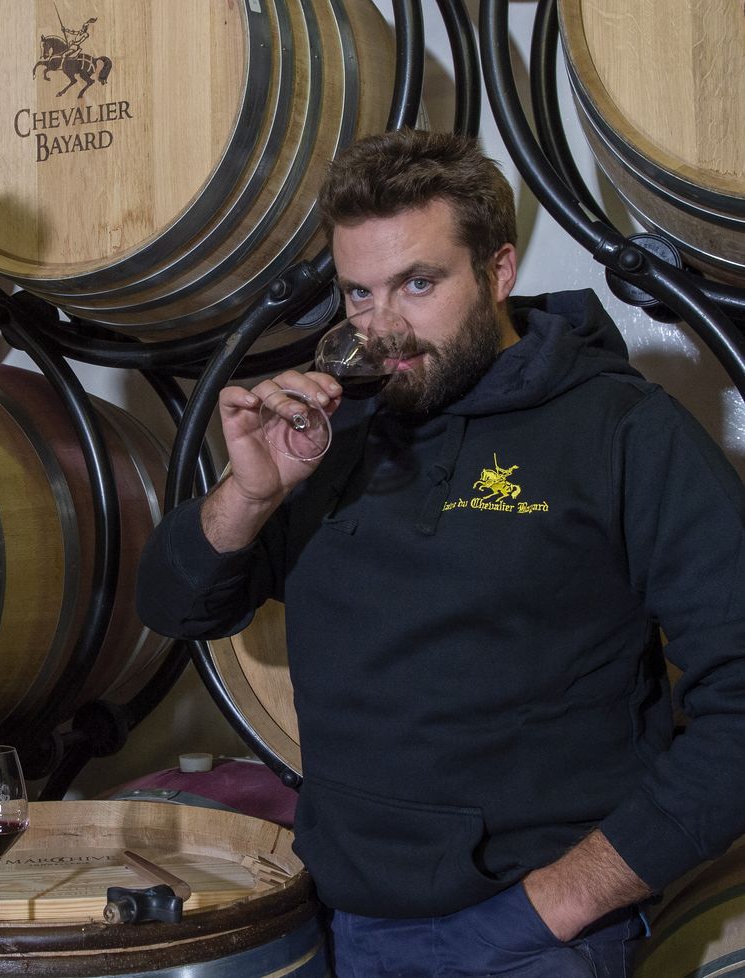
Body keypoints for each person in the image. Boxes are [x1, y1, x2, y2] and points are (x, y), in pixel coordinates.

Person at [136, 128, 745, 977]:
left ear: (498, 272)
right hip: (337, 923)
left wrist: (568, 899)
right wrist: (250, 494)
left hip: (529, 936)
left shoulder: (621, 431)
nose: (382, 328)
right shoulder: (328, 432)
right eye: (358, 294)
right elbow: (175, 606)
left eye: (418, 284)